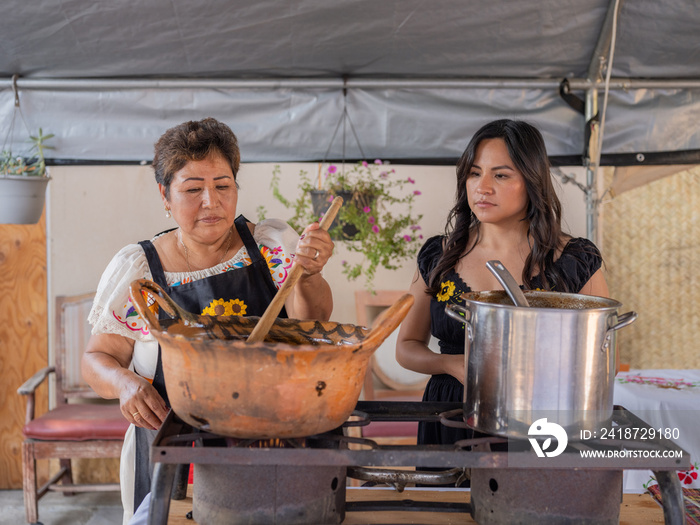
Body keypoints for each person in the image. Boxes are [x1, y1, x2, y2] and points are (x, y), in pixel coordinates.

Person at [81, 117, 334, 524]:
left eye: (223, 186)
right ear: (164, 195)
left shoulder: (271, 246)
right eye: (193, 189)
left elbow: (315, 322)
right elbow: (97, 357)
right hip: (171, 443)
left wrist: (311, 274)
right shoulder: (140, 270)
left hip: (269, 436)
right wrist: (125, 384)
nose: (211, 202)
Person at [395, 119, 609, 448]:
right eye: (474, 172)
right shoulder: (440, 254)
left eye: (501, 174)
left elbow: (604, 361)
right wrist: (453, 364)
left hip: (541, 422)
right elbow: (407, 346)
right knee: (443, 500)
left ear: (532, 180)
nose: (483, 187)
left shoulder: (575, 260)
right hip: (449, 416)